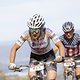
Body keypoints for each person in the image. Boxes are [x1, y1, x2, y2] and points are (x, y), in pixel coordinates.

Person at [9, 14, 65, 80]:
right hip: (35, 57)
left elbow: (60, 45)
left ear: (41, 29)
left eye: (36, 30)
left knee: (51, 78)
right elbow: (14, 48)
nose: (34, 33)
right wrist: (12, 63)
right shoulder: (26, 34)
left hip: (49, 56)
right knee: (33, 77)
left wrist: (61, 57)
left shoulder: (48, 32)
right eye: (32, 30)